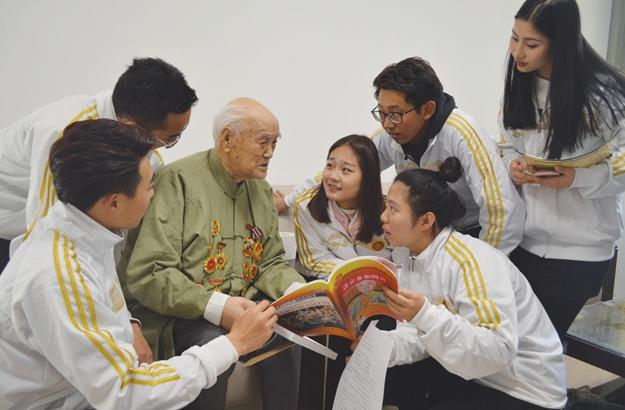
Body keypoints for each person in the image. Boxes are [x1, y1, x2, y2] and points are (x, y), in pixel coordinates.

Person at [0, 119, 277, 410]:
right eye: (148, 187)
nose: (154, 194)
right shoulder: (59, 277)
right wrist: (234, 343)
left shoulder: (83, 229)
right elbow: (125, 391)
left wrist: (130, 325)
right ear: (114, 203)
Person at [118, 98, 306, 410]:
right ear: (227, 138)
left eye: (275, 142)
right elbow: (150, 273)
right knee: (214, 345)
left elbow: (270, 262)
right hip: (178, 315)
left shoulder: (261, 190)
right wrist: (220, 307)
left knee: (289, 336)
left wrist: (301, 292)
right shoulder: (177, 181)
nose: (270, 152)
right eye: (263, 141)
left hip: (241, 306)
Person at [276, 57, 525, 255]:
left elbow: (501, 210)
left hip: (474, 233)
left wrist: (482, 264)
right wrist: (288, 201)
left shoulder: (462, 133)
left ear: (427, 110)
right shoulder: (389, 137)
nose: (387, 124)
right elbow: (344, 166)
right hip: (430, 237)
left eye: (395, 114)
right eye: (381, 113)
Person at [378, 158, 566, 409]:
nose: (383, 217)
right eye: (385, 206)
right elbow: (417, 334)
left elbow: (499, 349)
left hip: (525, 390)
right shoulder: (411, 257)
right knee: (391, 375)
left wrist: (424, 314)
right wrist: (380, 350)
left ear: (426, 221)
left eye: (393, 209)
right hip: (476, 375)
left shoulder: (472, 260)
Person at [499, 0, 625, 339]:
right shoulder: (520, 84)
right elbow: (508, 143)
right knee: (518, 343)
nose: (518, 52)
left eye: (531, 44)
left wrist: (578, 178)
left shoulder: (604, 94)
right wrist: (512, 165)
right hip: (525, 241)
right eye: (514, 38)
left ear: (561, 43)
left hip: (580, 250)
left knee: (539, 345)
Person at [0, 57, 197, 270]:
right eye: (170, 139)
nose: (164, 147)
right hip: (12, 233)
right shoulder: (63, 136)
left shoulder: (139, 143)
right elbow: (44, 233)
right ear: (133, 127)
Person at [294, 134, 398, 278]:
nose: (333, 176)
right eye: (330, 165)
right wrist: (358, 274)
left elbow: (402, 262)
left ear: (367, 177)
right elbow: (314, 261)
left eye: (346, 170)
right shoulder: (306, 205)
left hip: (381, 284)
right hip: (328, 282)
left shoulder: (389, 212)